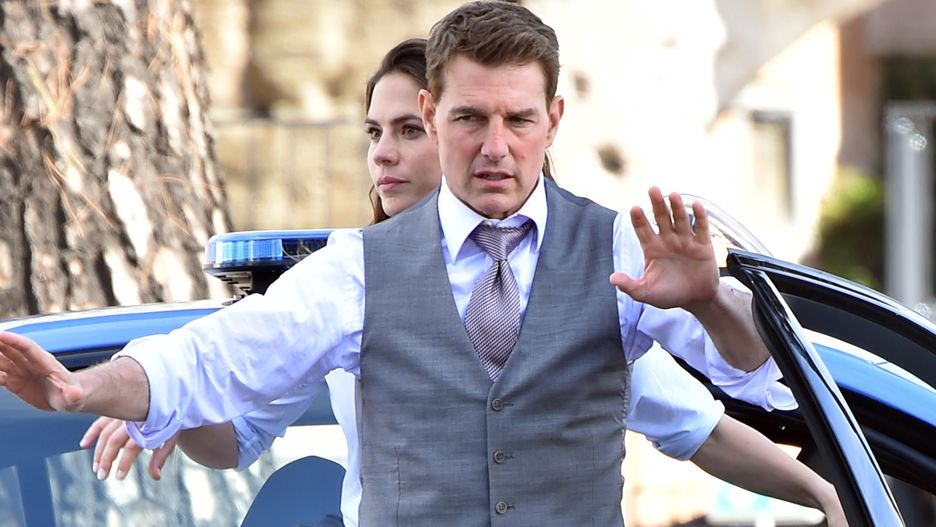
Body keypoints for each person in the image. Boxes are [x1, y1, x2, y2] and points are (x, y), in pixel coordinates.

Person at [0, 3, 845, 525]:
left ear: (553, 121)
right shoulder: (354, 272)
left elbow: (754, 384)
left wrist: (709, 302)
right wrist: (91, 389)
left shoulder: (619, 251)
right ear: (440, 113)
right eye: (469, 119)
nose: (494, 147)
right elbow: (217, 358)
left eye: (518, 120)